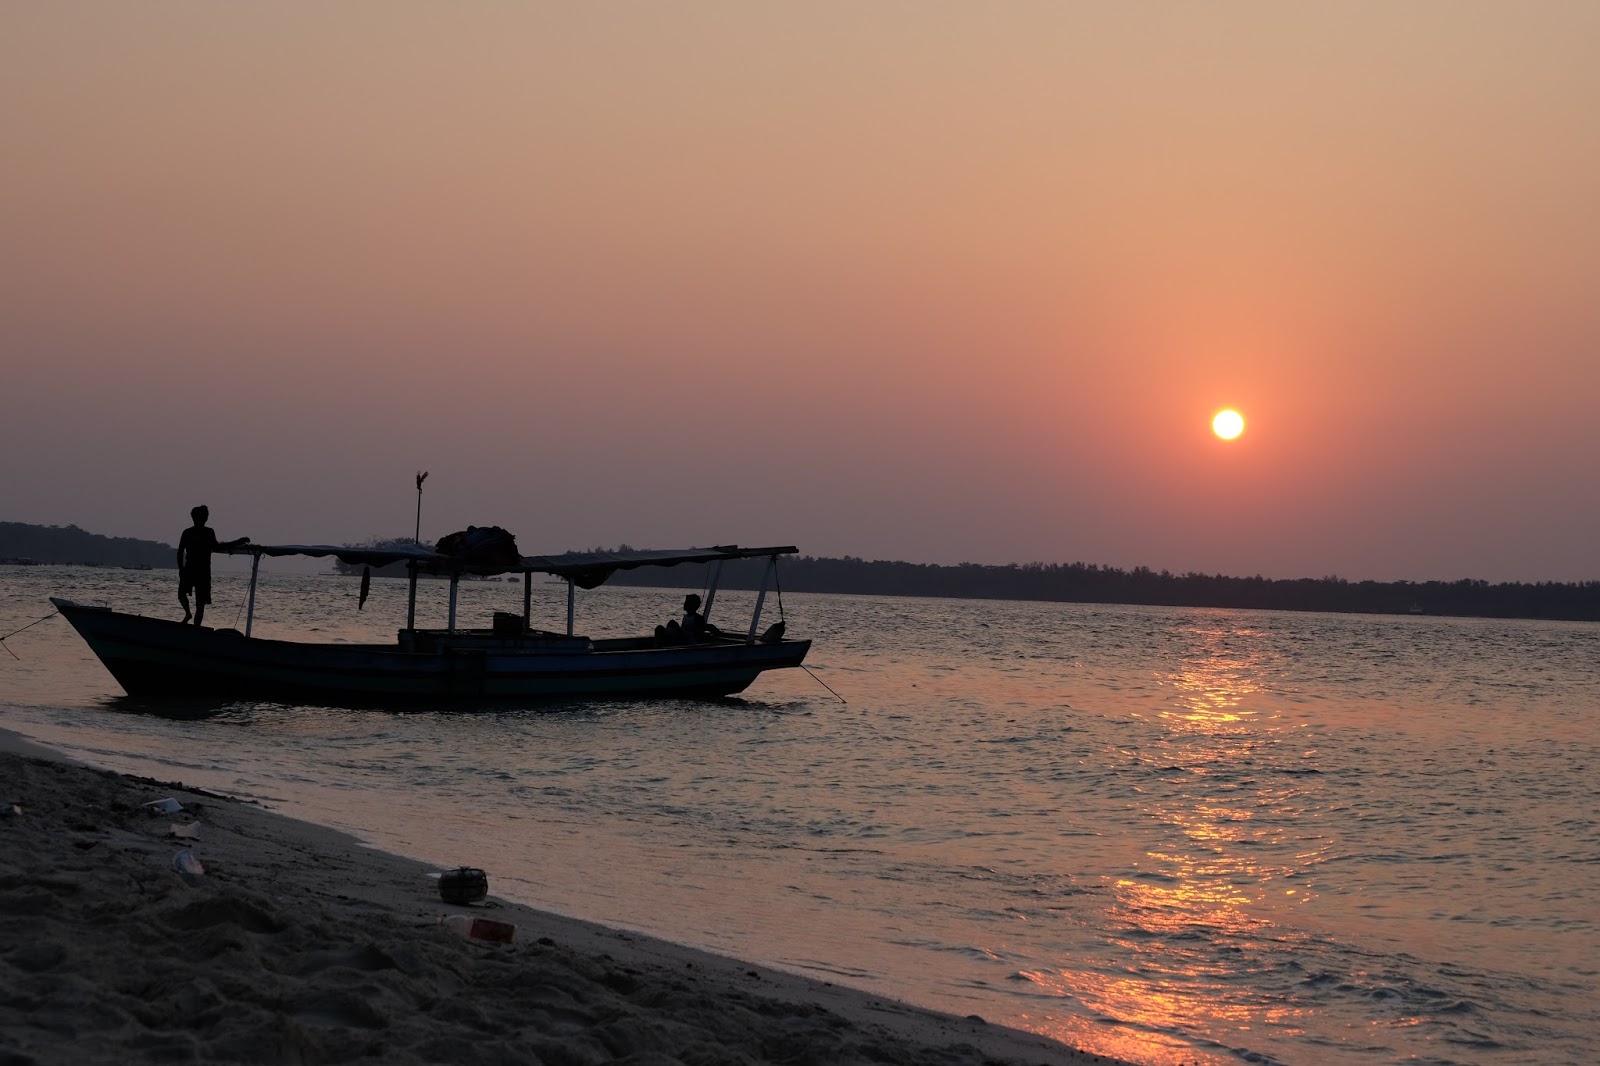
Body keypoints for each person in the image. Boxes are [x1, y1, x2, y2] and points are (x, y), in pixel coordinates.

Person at [177, 506, 249, 625]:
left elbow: (217, 547)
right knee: (183, 596)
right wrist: (181, 568)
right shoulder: (189, 532)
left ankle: (195, 625)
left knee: (199, 602)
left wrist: (237, 542)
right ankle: (188, 614)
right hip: (192, 569)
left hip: (201, 571)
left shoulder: (206, 532)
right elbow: (180, 551)